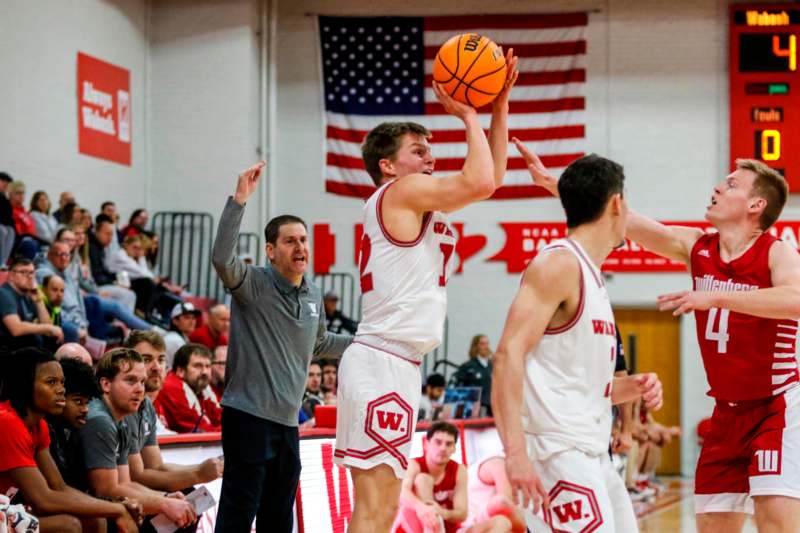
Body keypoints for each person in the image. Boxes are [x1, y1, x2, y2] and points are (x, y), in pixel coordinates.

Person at [527, 145, 800, 530]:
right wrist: (556, 186)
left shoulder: (777, 252)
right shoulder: (697, 247)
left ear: (756, 205)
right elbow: (629, 220)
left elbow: (796, 299)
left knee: (777, 524)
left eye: (731, 184)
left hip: (776, 408)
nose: (719, 188)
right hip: (726, 413)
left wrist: (716, 295)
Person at [334, 51, 519, 532]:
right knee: (374, 508)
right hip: (381, 359)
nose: (430, 156)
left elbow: (490, 180)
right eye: (418, 150)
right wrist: (469, 115)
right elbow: (479, 180)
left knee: (382, 506)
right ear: (388, 166)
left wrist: (498, 109)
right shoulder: (400, 194)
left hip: (397, 362)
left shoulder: (415, 200)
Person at [491, 152, 664, 532]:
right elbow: (507, 356)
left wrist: (631, 386)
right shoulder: (559, 264)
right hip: (556, 451)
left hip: (590, 450)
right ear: (617, 203)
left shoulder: (591, 274)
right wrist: (515, 453)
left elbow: (578, 384)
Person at [211, 160, 352, 533]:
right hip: (248, 417)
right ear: (271, 251)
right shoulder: (253, 283)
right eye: (290, 241)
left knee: (278, 518)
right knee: (238, 516)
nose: (300, 246)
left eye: (304, 240)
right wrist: (239, 201)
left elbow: (320, 342)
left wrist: (369, 344)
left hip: (288, 424)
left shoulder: (314, 294)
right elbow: (221, 260)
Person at [0, 347, 139, 532]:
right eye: (51, 382)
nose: (60, 391)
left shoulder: (39, 426)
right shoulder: (7, 421)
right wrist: (116, 510)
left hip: (6, 508)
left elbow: (59, 487)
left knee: (95, 520)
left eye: (62, 383)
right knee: (67, 525)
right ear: (26, 385)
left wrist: (113, 508)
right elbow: (43, 500)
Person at [81, 348, 198, 530]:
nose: (140, 389)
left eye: (142, 382)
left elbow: (125, 483)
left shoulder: (122, 419)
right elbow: (107, 491)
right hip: (81, 505)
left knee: (185, 505)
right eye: (130, 381)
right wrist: (163, 503)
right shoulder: (100, 420)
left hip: (96, 502)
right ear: (105, 384)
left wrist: (164, 498)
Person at [122, 331, 224, 497]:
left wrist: (203, 469)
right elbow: (137, 476)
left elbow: (156, 466)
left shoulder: (145, 404)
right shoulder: (125, 406)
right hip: (113, 496)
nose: (156, 367)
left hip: (130, 490)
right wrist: (198, 473)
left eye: (161, 360)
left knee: (189, 495)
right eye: (147, 359)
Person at [392, 422, 467, 533]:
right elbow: (401, 493)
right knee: (423, 479)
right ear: (426, 444)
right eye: (438, 442)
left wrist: (441, 512)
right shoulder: (413, 465)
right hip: (413, 528)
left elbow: (462, 513)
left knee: (499, 521)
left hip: (448, 529)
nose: (443, 448)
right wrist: (422, 508)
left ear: (454, 449)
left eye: (448, 444)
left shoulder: (459, 470)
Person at [45, 357, 99, 492]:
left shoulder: (72, 432)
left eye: (87, 402)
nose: (85, 409)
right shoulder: (45, 430)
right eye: (78, 401)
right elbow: (57, 492)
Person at [155, 343, 222, 433]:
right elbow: (201, 431)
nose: (204, 372)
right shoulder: (173, 387)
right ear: (180, 371)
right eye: (198, 366)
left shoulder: (202, 387)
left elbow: (221, 418)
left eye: (208, 366)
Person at [0, 256, 61, 350]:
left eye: (32, 272)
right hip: (9, 350)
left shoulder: (28, 294)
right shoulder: (4, 293)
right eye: (24, 272)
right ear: (11, 275)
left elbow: (47, 327)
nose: (30, 276)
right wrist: (48, 328)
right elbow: (16, 329)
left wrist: (39, 301)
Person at [453, 334, 494, 415]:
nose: (486, 347)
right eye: (482, 344)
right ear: (475, 346)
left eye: (487, 343)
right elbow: (458, 388)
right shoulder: (467, 366)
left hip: (492, 408)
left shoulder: (492, 366)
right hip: (475, 409)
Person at [164, 302, 201, 367]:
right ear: (175, 321)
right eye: (187, 317)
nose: (192, 321)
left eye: (193, 318)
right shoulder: (176, 340)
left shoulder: (178, 337)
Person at [0, 173, 16, 265]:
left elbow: (8, 217)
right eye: (2, 182)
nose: (4, 185)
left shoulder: (4, 199)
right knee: (2, 230)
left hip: (3, 224)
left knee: (11, 231)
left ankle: (3, 262)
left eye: (7, 184)